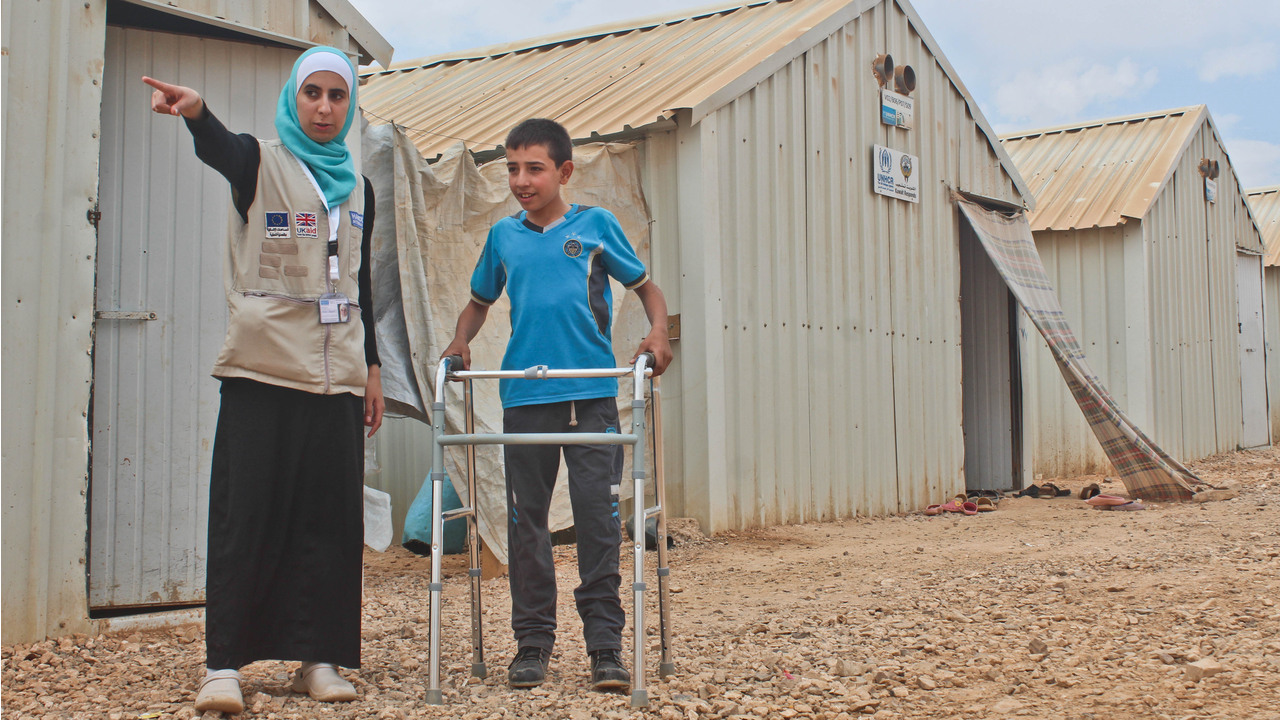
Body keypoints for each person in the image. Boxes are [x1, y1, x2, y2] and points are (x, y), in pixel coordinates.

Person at [142, 45, 384, 714]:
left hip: (335, 380)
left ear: (350, 103)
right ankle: (223, 665)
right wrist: (197, 115)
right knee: (246, 516)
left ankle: (320, 658)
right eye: (314, 94)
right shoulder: (260, 162)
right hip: (264, 370)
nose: (326, 107)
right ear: (295, 98)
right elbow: (220, 148)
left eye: (338, 95)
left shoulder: (361, 189)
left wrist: (373, 369)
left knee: (328, 524)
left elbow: (361, 280)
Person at [441, 118, 673, 692]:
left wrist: (659, 332)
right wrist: (459, 341)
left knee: (598, 521)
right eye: (513, 169)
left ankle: (605, 647)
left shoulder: (596, 227)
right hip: (525, 397)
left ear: (564, 171)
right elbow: (478, 304)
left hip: (590, 394)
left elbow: (646, 289)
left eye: (534, 168)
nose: (521, 180)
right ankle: (532, 644)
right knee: (528, 524)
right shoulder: (503, 237)